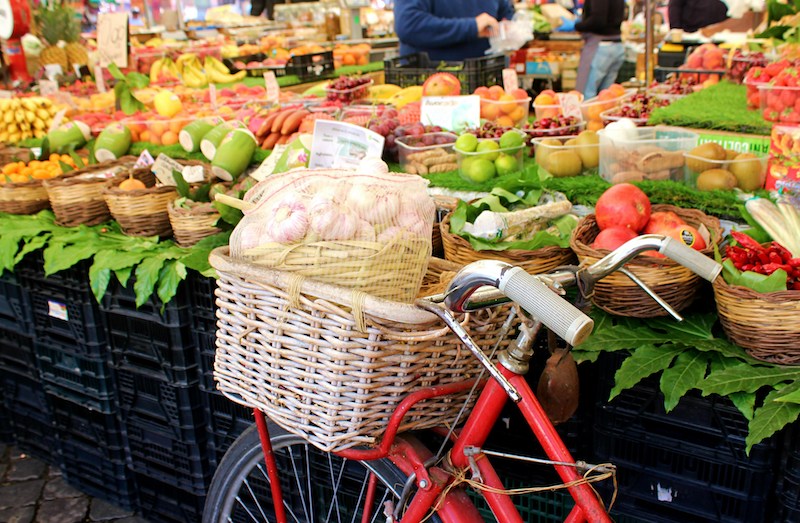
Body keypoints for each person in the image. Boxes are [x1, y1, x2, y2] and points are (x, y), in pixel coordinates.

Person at [394, 0, 516, 61]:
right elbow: (408, 25)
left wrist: (509, 30)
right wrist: (471, 27)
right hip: (431, 88)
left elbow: (505, 13)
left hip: (488, 88)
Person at [558, 0, 625, 99]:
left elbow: (597, 21)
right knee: (606, 99)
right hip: (616, 45)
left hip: (600, 47)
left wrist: (576, 26)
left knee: (586, 97)